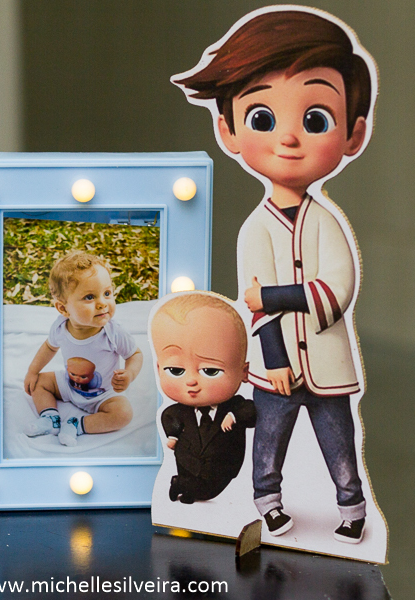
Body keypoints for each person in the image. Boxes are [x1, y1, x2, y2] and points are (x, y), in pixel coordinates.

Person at [173, 7, 376, 543]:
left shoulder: (326, 222)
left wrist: (274, 295)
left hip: (328, 364)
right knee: (269, 445)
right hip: (273, 368)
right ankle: (269, 503)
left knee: (339, 440)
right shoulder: (254, 229)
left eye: (315, 120)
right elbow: (254, 307)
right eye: (262, 118)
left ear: (354, 134)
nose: (288, 138)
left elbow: (336, 290)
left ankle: (352, 507)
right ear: (228, 130)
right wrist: (277, 357)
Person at [23, 251, 143, 447]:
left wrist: (129, 374)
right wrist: (32, 371)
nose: (102, 303)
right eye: (89, 297)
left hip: (104, 394)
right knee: (39, 383)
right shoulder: (61, 327)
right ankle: (50, 418)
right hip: (69, 384)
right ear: (63, 309)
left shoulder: (113, 332)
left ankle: (77, 424)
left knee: (123, 414)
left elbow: (135, 354)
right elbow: (49, 347)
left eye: (107, 293)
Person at [151, 293, 256, 504]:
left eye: (210, 371)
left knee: (209, 490)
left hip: (222, 466)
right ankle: (184, 487)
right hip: (188, 460)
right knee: (195, 486)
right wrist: (173, 435)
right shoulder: (180, 411)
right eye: (176, 370)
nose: (191, 381)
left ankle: (180, 484)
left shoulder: (235, 406)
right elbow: (169, 416)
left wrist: (234, 416)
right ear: (159, 368)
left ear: (244, 372)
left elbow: (251, 412)